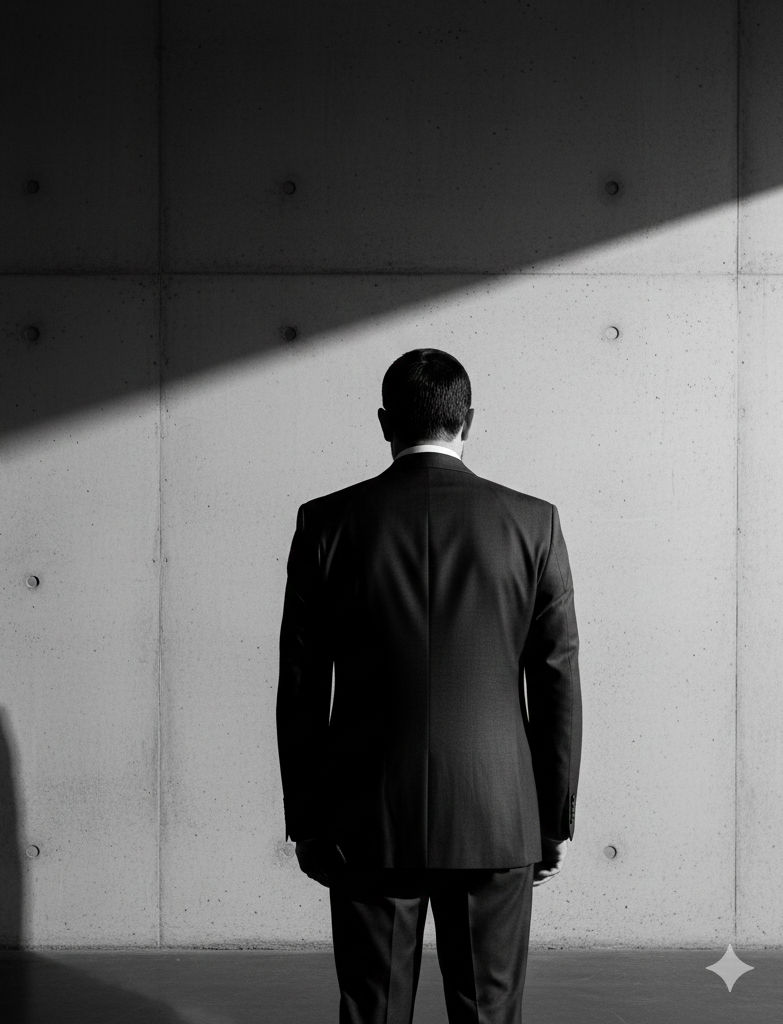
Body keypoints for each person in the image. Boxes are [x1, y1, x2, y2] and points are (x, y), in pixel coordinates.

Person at [276, 349, 582, 1024]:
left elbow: (301, 684)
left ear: (385, 423)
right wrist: (551, 819)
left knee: (374, 1011)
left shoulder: (326, 522)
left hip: (367, 815)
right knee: (489, 1012)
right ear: (468, 419)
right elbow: (556, 679)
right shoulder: (533, 522)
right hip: (496, 811)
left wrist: (309, 819)